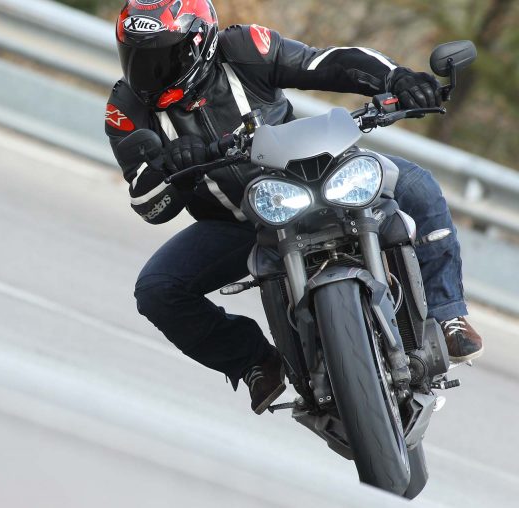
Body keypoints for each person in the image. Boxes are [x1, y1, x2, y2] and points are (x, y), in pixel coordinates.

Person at [105, 0, 483, 414]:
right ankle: (255, 361)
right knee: (157, 290)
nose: (148, 71)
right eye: (136, 57)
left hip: (314, 175)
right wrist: (176, 172)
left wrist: (397, 78)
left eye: (163, 56)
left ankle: (448, 315)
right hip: (236, 223)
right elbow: (148, 204)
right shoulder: (125, 108)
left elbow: (325, 63)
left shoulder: (245, 47)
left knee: (415, 184)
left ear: (200, 44)